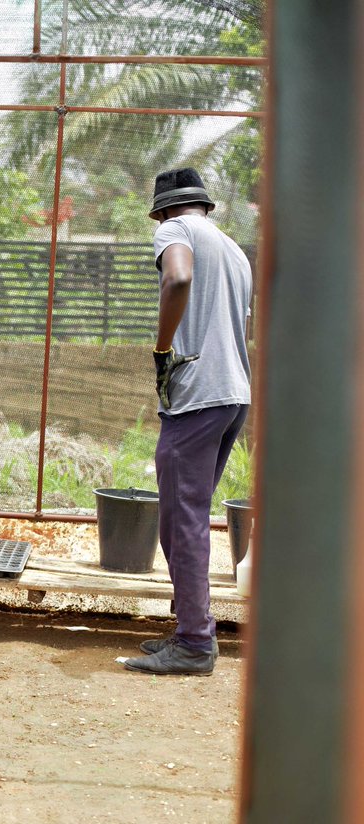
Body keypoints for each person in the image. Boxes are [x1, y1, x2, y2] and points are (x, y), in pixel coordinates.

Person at [120, 167, 252, 676]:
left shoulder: (175, 231)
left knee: (183, 519)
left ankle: (196, 642)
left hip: (198, 395)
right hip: (233, 395)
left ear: (163, 209)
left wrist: (162, 347)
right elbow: (239, 323)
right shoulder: (235, 250)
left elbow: (177, 277)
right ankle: (189, 629)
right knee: (187, 516)